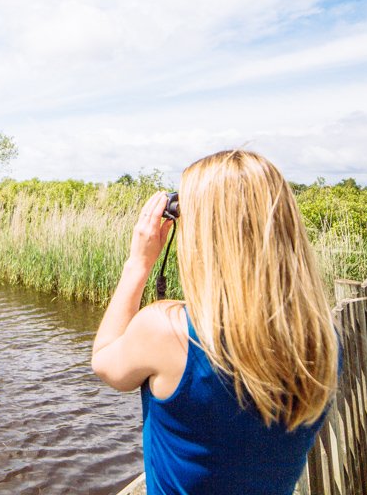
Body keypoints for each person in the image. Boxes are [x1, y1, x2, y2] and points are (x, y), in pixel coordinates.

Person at [91, 149, 338, 494]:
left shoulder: (169, 331)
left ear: (206, 234)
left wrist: (138, 264)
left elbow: (104, 361)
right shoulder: (321, 338)